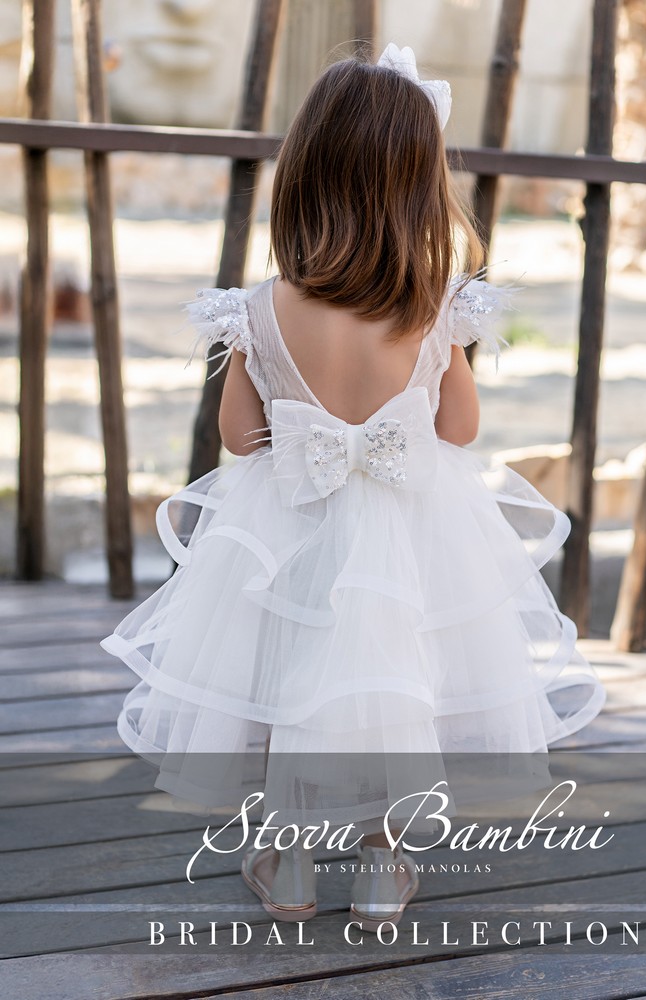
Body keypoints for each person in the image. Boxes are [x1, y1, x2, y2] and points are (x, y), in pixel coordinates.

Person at [101, 43, 605, 934]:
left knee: (293, 681)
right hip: (410, 533)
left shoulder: (262, 307)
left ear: (305, 178)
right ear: (418, 191)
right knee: (387, 685)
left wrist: (308, 424)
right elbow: (458, 429)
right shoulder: (434, 305)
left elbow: (236, 437)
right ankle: (379, 868)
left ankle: (290, 864)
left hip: (290, 525)